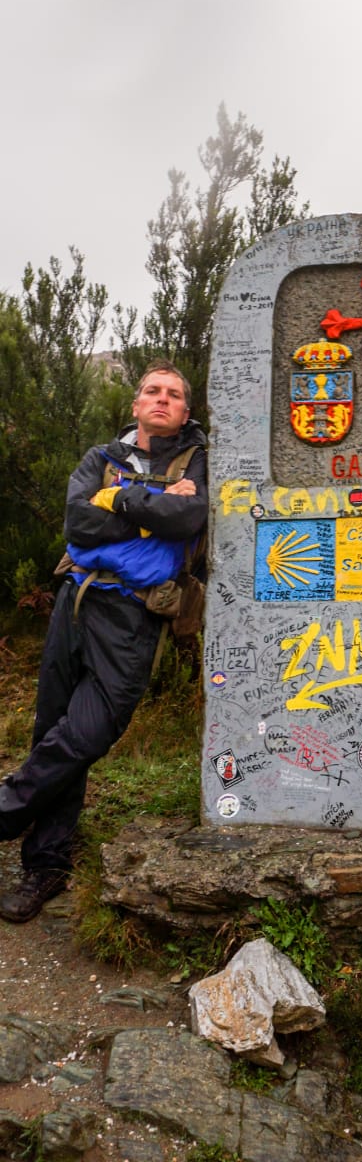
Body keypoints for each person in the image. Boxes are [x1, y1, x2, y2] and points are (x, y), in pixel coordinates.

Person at [0, 360, 207, 923]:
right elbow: (78, 525)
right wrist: (149, 510)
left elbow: (188, 518)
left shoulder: (196, 461)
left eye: (173, 394)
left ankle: (7, 809)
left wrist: (114, 500)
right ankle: (46, 866)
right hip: (75, 600)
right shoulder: (102, 457)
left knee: (88, 732)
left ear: (185, 411)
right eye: (151, 391)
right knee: (53, 730)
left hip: (133, 615)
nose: (161, 399)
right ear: (136, 404)